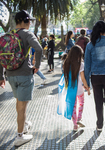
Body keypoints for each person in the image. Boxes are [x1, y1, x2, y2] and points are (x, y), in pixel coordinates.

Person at [0, 10, 43, 146]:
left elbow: (1, 55)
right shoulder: (28, 34)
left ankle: (23, 125)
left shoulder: (7, 35)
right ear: (25, 21)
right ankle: (20, 136)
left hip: (11, 75)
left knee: (20, 103)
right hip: (24, 74)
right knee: (22, 107)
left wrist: (1, 76)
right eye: (29, 21)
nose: (30, 23)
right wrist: (37, 65)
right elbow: (39, 49)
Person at [63, 45, 90, 131]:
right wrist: (87, 87)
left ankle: (75, 125)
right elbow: (83, 78)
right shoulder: (80, 64)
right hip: (79, 89)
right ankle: (79, 118)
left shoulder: (66, 63)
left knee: (73, 106)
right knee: (81, 103)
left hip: (70, 89)